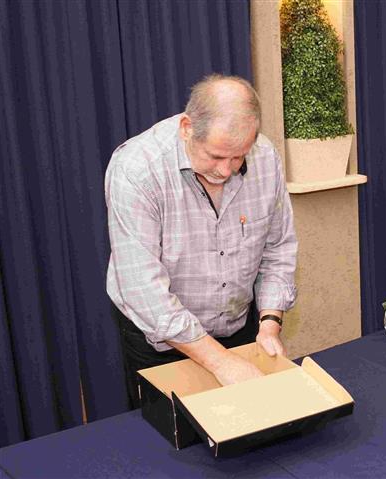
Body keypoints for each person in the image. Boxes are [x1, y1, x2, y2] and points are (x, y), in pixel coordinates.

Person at [105, 74, 297, 406]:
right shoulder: (136, 169)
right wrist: (221, 362)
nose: (226, 170)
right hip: (161, 343)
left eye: (239, 157)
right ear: (187, 128)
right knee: (171, 435)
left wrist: (269, 324)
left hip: (239, 327)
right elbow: (143, 290)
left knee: (250, 425)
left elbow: (277, 248)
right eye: (216, 156)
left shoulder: (265, 156)